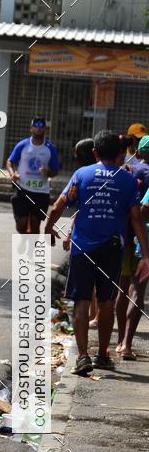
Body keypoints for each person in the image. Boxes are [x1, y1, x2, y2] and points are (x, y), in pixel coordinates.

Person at [45, 130, 149, 376]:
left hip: (82, 248)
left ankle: (82, 357)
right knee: (106, 303)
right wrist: (145, 255)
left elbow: (59, 205)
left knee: (81, 302)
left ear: (95, 152)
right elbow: (136, 219)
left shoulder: (82, 174)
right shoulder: (127, 180)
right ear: (120, 153)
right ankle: (103, 354)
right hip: (112, 249)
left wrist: (49, 229)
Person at [117, 134, 149, 359]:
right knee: (138, 290)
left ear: (138, 153)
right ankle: (127, 345)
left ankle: (120, 340)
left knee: (124, 287)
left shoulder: (131, 173)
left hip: (129, 236)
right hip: (142, 239)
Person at [6, 117, 59, 235]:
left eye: (41, 126)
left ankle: (31, 251)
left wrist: (48, 172)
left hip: (41, 192)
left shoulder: (50, 148)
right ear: (31, 128)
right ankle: (23, 240)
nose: (38, 128)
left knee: (35, 224)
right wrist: (12, 174)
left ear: (46, 129)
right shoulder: (22, 145)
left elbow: (55, 170)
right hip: (22, 189)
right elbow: (10, 161)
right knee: (22, 224)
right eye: (35, 125)